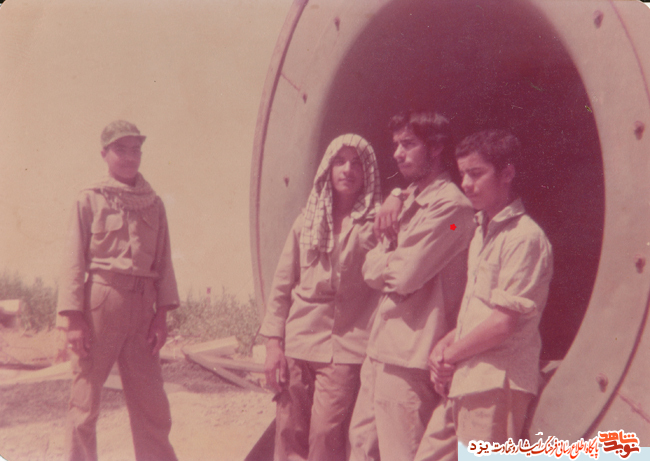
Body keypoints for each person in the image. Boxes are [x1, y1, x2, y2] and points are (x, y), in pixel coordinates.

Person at [414, 130, 554, 461]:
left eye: (476, 174)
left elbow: (503, 323)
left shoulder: (524, 237)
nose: (465, 183)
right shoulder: (481, 232)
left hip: (495, 386)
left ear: (507, 174)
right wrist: (444, 345)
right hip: (466, 382)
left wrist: (450, 356)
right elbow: (479, 313)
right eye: (462, 173)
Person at [348, 110, 476, 461]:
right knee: (360, 449)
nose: (397, 154)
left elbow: (404, 275)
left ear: (435, 148)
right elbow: (371, 257)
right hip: (381, 350)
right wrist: (395, 197)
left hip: (409, 358)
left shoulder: (453, 211)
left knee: (399, 453)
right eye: (396, 145)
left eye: (408, 144)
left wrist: (382, 256)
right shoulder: (409, 199)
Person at [56, 120, 180, 461]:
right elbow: (72, 260)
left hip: (144, 308)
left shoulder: (153, 203)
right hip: (101, 303)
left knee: (153, 405)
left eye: (135, 150)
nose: (129, 157)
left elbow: (164, 262)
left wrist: (161, 316)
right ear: (104, 154)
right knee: (84, 403)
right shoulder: (90, 198)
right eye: (120, 150)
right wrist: (73, 318)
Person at [259, 134, 383, 461]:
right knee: (288, 431)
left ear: (368, 172)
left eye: (356, 163)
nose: (347, 170)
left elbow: (451, 227)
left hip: (346, 345)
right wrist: (273, 345)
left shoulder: (377, 222)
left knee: (326, 435)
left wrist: (398, 195)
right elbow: (282, 286)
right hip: (299, 341)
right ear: (328, 168)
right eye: (339, 162)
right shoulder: (306, 221)